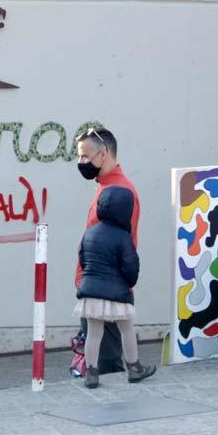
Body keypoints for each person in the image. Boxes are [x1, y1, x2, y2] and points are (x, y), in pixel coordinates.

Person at [73, 128, 140, 376]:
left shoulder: (121, 192)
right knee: (99, 350)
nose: (81, 162)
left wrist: (124, 286)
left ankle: (114, 406)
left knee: (108, 360)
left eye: (85, 156)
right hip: (97, 283)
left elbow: (128, 244)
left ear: (103, 154)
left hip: (107, 288)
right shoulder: (106, 187)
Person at [76, 186, 154, 388]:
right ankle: (134, 368)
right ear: (125, 211)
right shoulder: (123, 237)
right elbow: (130, 266)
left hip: (91, 292)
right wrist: (128, 284)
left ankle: (92, 373)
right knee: (126, 329)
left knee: (93, 334)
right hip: (117, 293)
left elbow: (83, 259)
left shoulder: (90, 233)